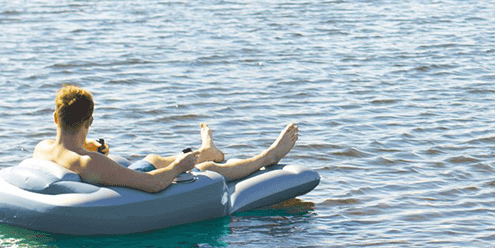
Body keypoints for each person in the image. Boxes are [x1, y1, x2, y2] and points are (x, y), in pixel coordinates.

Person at [33, 84, 299, 194]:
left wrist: (91, 147)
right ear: (89, 122)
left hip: (116, 168)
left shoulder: (43, 148)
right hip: (133, 180)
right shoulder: (88, 162)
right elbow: (156, 183)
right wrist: (179, 167)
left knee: (153, 159)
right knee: (203, 169)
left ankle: (207, 148)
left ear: (56, 118)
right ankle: (268, 156)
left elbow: (72, 150)